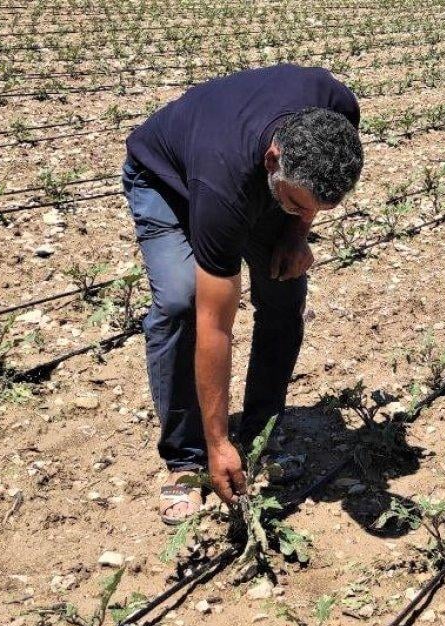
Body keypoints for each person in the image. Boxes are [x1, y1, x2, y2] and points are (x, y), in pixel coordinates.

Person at [121, 64, 363, 524]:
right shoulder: (223, 184)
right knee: (181, 303)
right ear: (274, 159)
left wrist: (297, 231)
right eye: (297, 203)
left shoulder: (337, 111)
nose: (304, 213)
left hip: (254, 171)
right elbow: (217, 326)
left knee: (284, 293)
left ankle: (258, 438)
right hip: (165, 178)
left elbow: (305, 194)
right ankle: (187, 458)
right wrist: (216, 442)